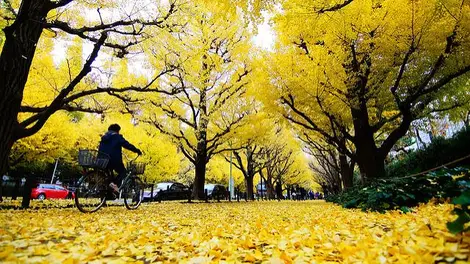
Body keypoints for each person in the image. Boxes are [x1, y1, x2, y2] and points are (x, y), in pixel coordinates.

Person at [98, 124, 142, 193]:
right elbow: (127, 145)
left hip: (102, 160)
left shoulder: (104, 137)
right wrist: (137, 150)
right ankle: (114, 186)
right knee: (123, 172)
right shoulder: (117, 137)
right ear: (117, 131)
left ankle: (108, 192)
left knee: (109, 177)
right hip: (113, 159)